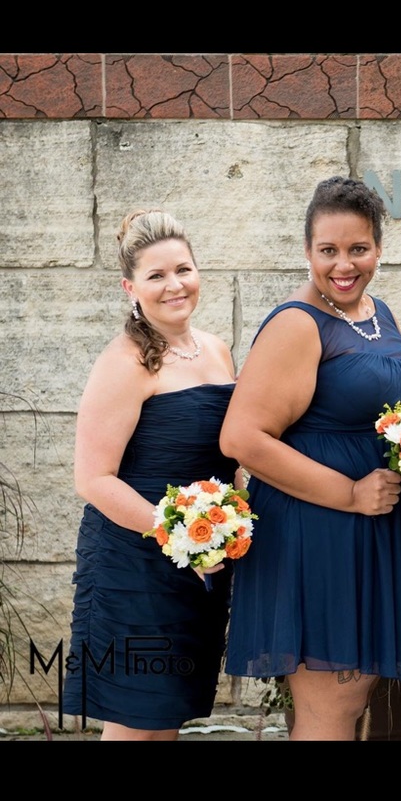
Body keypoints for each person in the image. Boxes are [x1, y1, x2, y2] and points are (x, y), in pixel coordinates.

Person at [220, 176, 401, 741]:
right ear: (307, 251)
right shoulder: (297, 323)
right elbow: (242, 438)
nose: (344, 265)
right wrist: (350, 493)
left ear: (379, 249)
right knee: (332, 710)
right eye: (329, 251)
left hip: (375, 535)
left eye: (358, 249)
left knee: (356, 698)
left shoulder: (375, 312)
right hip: (320, 536)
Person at [62, 209, 238, 740]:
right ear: (130, 287)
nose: (174, 285)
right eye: (156, 276)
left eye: (182, 270)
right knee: (135, 725)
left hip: (198, 568)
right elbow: (93, 479)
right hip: (132, 568)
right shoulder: (124, 362)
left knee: (168, 720)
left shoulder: (217, 350)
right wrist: (180, 532)